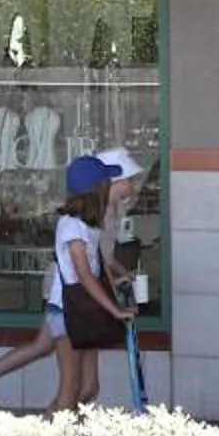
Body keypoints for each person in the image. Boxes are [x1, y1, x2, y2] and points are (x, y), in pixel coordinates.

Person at [0, 147, 147, 405]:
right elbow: (84, 271)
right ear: (105, 185)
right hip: (71, 302)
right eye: (128, 180)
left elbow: (99, 259)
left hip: (83, 303)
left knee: (80, 382)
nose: (132, 185)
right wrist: (112, 304)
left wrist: (114, 281)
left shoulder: (96, 218)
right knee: (71, 388)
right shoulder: (78, 222)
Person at [48, 156, 134, 412]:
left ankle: (59, 431)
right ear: (97, 189)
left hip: (83, 311)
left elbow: (100, 268)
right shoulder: (71, 226)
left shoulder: (88, 226)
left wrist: (119, 293)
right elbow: (84, 275)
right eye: (107, 182)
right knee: (70, 388)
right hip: (66, 312)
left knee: (89, 388)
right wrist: (114, 310)